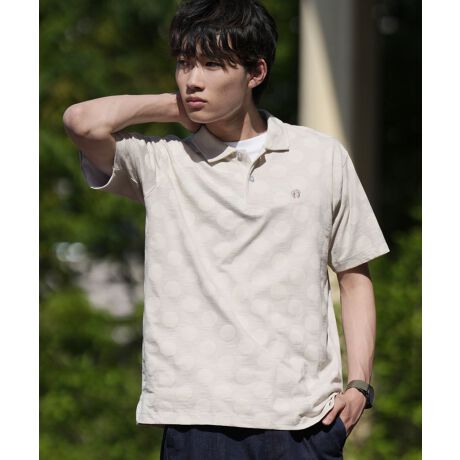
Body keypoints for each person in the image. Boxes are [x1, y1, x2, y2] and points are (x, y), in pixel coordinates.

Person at [62, 0, 390, 458]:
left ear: (256, 72)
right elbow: (81, 122)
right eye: (184, 63)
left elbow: (354, 277)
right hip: (197, 421)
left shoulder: (321, 157)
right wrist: (177, 107)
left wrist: (359, 384)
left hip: (305, 421)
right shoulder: (164, 162)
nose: (192, 79)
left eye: (212, 65)